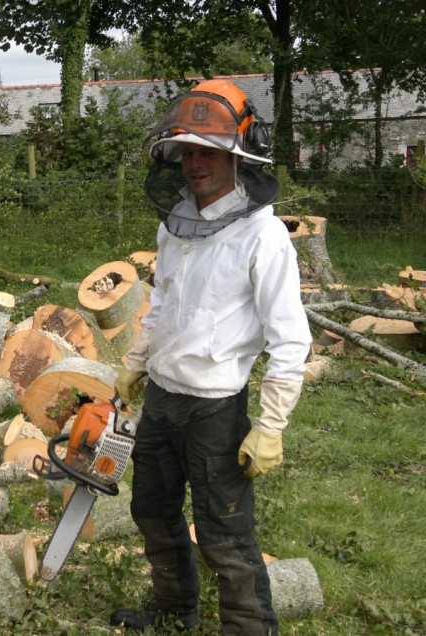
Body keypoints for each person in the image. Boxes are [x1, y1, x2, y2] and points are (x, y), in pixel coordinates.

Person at [109, 79, 312, 635]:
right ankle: (175, 608)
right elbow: (163, 306)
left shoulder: (262, 237)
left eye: (209, 151)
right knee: (151, 512)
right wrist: (137, 360)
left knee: (225, 535)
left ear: (236, 156)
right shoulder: (174, 225)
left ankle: (248, 630)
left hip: (215, 411)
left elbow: (290, 339)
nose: (196, 164)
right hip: (162, 401)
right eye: (188, 152)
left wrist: (270, 425)